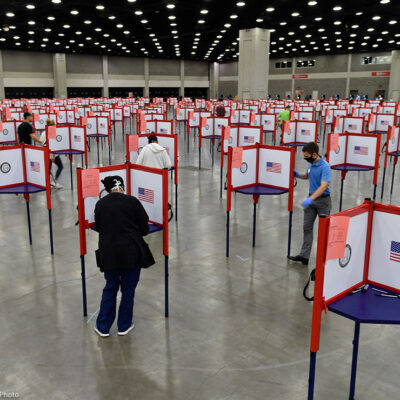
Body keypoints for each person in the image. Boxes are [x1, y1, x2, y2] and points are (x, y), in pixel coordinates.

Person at [94, 175, 151, 337]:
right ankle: (124, 325)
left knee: (110, 287)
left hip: (109, 253)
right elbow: (144, 228)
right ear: (123, 187)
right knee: (128, 290)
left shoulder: (100, 204)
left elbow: (99, 226)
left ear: (107, 189)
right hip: (132, 253)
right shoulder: (133, 202)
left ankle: (103, 326)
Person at [288, 142, 331, 266]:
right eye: (304, 157)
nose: (305, 159)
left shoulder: (325, 166)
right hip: (311, 200)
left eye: (307, 156)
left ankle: (325, 260)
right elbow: (307, 176)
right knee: (307, 228)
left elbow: (324, 186)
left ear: (314, 154)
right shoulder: (311, 164)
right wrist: (297, 175)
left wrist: (310, 199)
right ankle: (304, 256)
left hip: (323, 202)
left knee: (324, 232)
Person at [46, 119, 63, 189]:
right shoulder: (53, 133)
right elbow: (53, 144)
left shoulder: (44, 133)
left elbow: (42, 143)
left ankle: (49, 184)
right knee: (60, 166)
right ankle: (54, 181)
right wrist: (53, 155)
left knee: (48, 170)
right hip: (54, 155)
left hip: (46, 155)